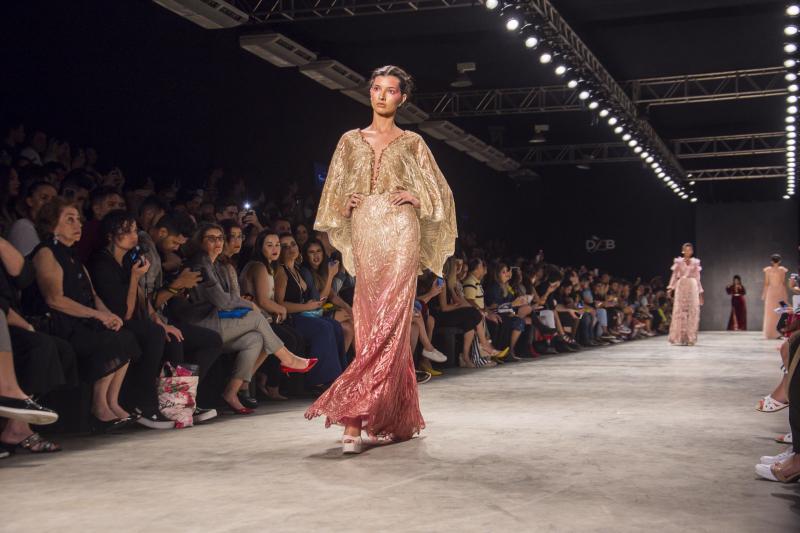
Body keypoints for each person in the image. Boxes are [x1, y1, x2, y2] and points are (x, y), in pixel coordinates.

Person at [304, 65, 457, 454]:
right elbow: (333, 192)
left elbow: (441, 191)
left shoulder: (412, 142)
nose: (382, 95)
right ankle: (398, 414)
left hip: (402, 228)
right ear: (369, 93)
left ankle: (354, 419)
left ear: (402, 98)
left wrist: (417, 198)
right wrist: (345, 203)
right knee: (369, 318)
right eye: (376, 88)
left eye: (391, 90)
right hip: (366, 229)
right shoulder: (349, 140)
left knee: (392, 320)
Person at [27, 198, 138, 432]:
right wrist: (98, 316)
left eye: (78, 219)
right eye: (69, 220)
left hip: (80, 322)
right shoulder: (46, 252)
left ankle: (112, 402)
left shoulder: (72, 256)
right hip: (57, 324)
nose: (78, 224)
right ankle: (99, 406)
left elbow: (93, 294)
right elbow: (54, 299)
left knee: (125, 336)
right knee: (109, 341)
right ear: (51, 225)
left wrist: (109, 315)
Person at [184, 223, 317, 414]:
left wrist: (244, 304)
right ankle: (288, 359)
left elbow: (232, 298)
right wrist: (250, 305)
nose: (217, 242)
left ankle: (232, 392)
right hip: (200, 323)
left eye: (220, 238)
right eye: (211, 238)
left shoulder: (220, 265)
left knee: (256, 338)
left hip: (219, 320)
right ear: (200, 241)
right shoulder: (200, 264)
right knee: (255, 317)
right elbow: (223, 301)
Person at [240, 229, 307, 401]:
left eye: (277, 245)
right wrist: (282, 309)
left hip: (263, 318)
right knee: (287, 338)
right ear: (260, 247)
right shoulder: (259, 267)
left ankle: (266, 380)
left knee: (293, 336)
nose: (275, 249)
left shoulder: (268, 266)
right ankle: (266, 384)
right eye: (269, 245)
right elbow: (263, 301)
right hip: (253, 319)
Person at [7, 180, 58, 256]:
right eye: (44, 198)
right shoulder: (23, 226)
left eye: (54, 200)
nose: (49, 203)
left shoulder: (52, 231)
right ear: (30, 201)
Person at [667, 243, 703, 346]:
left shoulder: (695, 263)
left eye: (690, 250)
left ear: (692, 251)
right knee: (679, 311)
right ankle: (678, 337)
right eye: (686, 250)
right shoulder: (678, 262)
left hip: (692, 287)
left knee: (692, 311)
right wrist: (670, 288)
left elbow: (698, 278)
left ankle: (690, 338)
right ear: (683, 251)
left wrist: (700, 293)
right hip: (681, 287)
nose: (688, 252)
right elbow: (674, 276)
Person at [762, 254, 788, 339]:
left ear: (771, 261)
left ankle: (770, 333)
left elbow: (766, 283)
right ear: (780, 261)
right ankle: (778, 333)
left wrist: (764, 294)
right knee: (780, 312)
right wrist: (785, 294)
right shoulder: (782, 270)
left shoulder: (768, 270)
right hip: (780, 292)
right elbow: (783, 283)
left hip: (771, 292)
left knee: (770, 313)